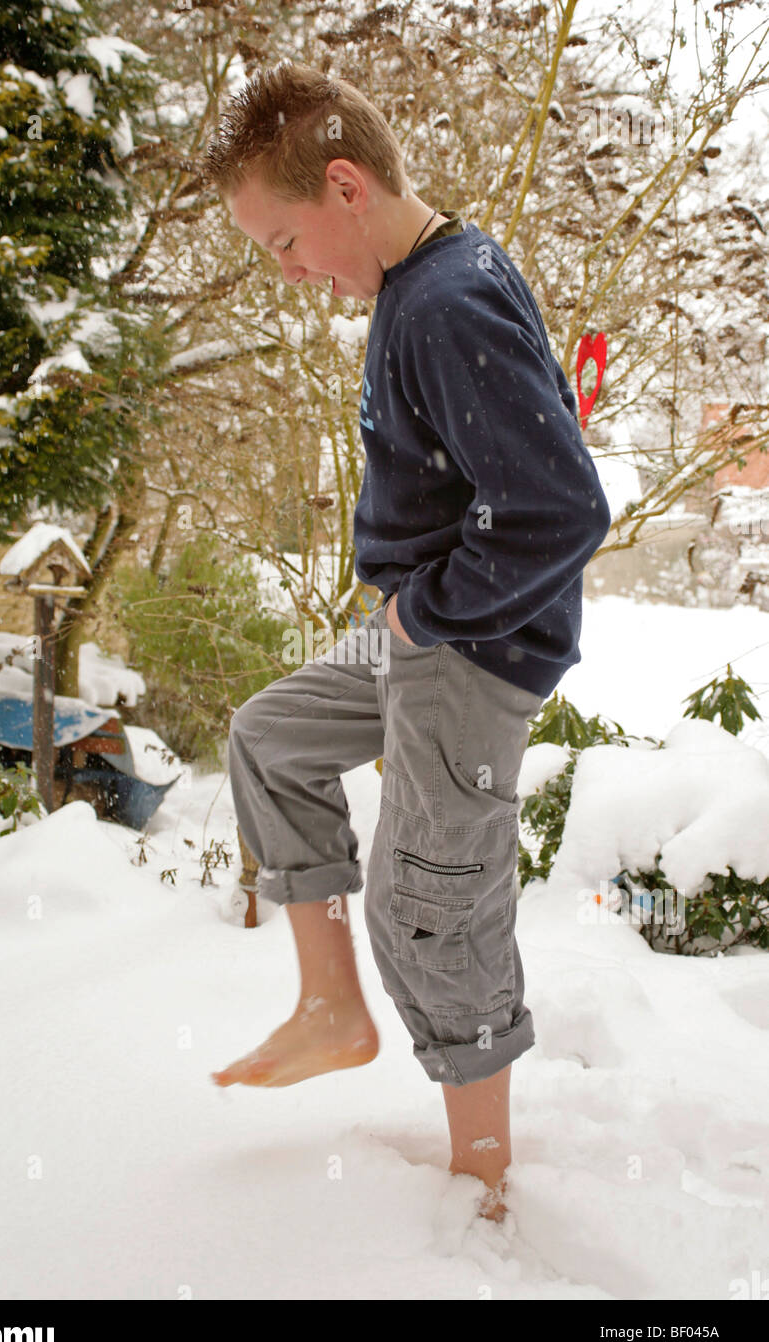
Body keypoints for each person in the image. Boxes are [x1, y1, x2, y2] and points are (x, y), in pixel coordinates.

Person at [202, 61, 611, 1221]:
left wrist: (424, 610)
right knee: (270, 737)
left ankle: (481, 1181)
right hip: (414, 636)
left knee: (429, 904)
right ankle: (331, 1006)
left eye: (282, 242)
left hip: (465, 657)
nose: (285, 272)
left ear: (341, 185)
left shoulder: (442, 301)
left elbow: (558, 509)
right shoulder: (423, 281)